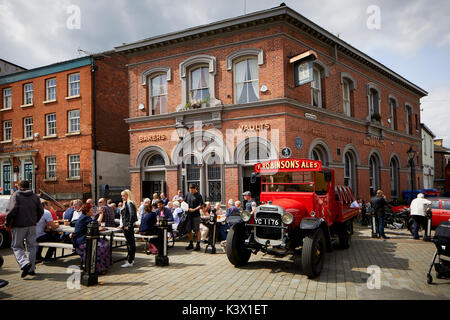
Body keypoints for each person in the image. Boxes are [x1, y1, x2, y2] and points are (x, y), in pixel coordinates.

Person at [5, 180, 44, 278]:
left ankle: (24, 263)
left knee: (17, 246)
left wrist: (8, 223)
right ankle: (31, 269)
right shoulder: (35, 196)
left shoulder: (16, 195)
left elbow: (11, 210)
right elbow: (41, 211)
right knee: (31, 247)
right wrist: (35, 220)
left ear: (19, 186)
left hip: (18, 225)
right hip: (32, 225)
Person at [71, 203, 110, 275]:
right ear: (87, 211)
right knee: (101, 247)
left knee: (104, 244)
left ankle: (103, 266)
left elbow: (90, 227)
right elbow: (97, 223)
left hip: (83, 239)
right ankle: (98, 269)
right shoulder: (85, 218)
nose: (93, 211)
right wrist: (101, 214)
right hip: (81, 242)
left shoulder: (85, 217)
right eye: (91, 210)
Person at [119, 189, 138, 268]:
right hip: (126, 226)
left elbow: (132, 215)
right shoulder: (127, 203)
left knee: (130, 244)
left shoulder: (129, 204)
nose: (122, 197)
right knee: (130, 243)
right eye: (122, 196)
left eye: (123, 195)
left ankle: (130, 261)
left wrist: (128, 225)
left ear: (127, 195)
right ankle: (130, 259)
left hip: (127, 226)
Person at [184, 184, 204, 251]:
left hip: (196, 215)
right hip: (188, 215)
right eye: (190, 189)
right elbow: (185, 202)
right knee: (189, 230)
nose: (191, 191)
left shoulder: (199, 195)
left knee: (197, 230)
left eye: (192, 189)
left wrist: (194, 209)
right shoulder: (188, 194)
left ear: (195, 189)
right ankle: (191, 244)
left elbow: (201, 205)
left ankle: (198, 245)